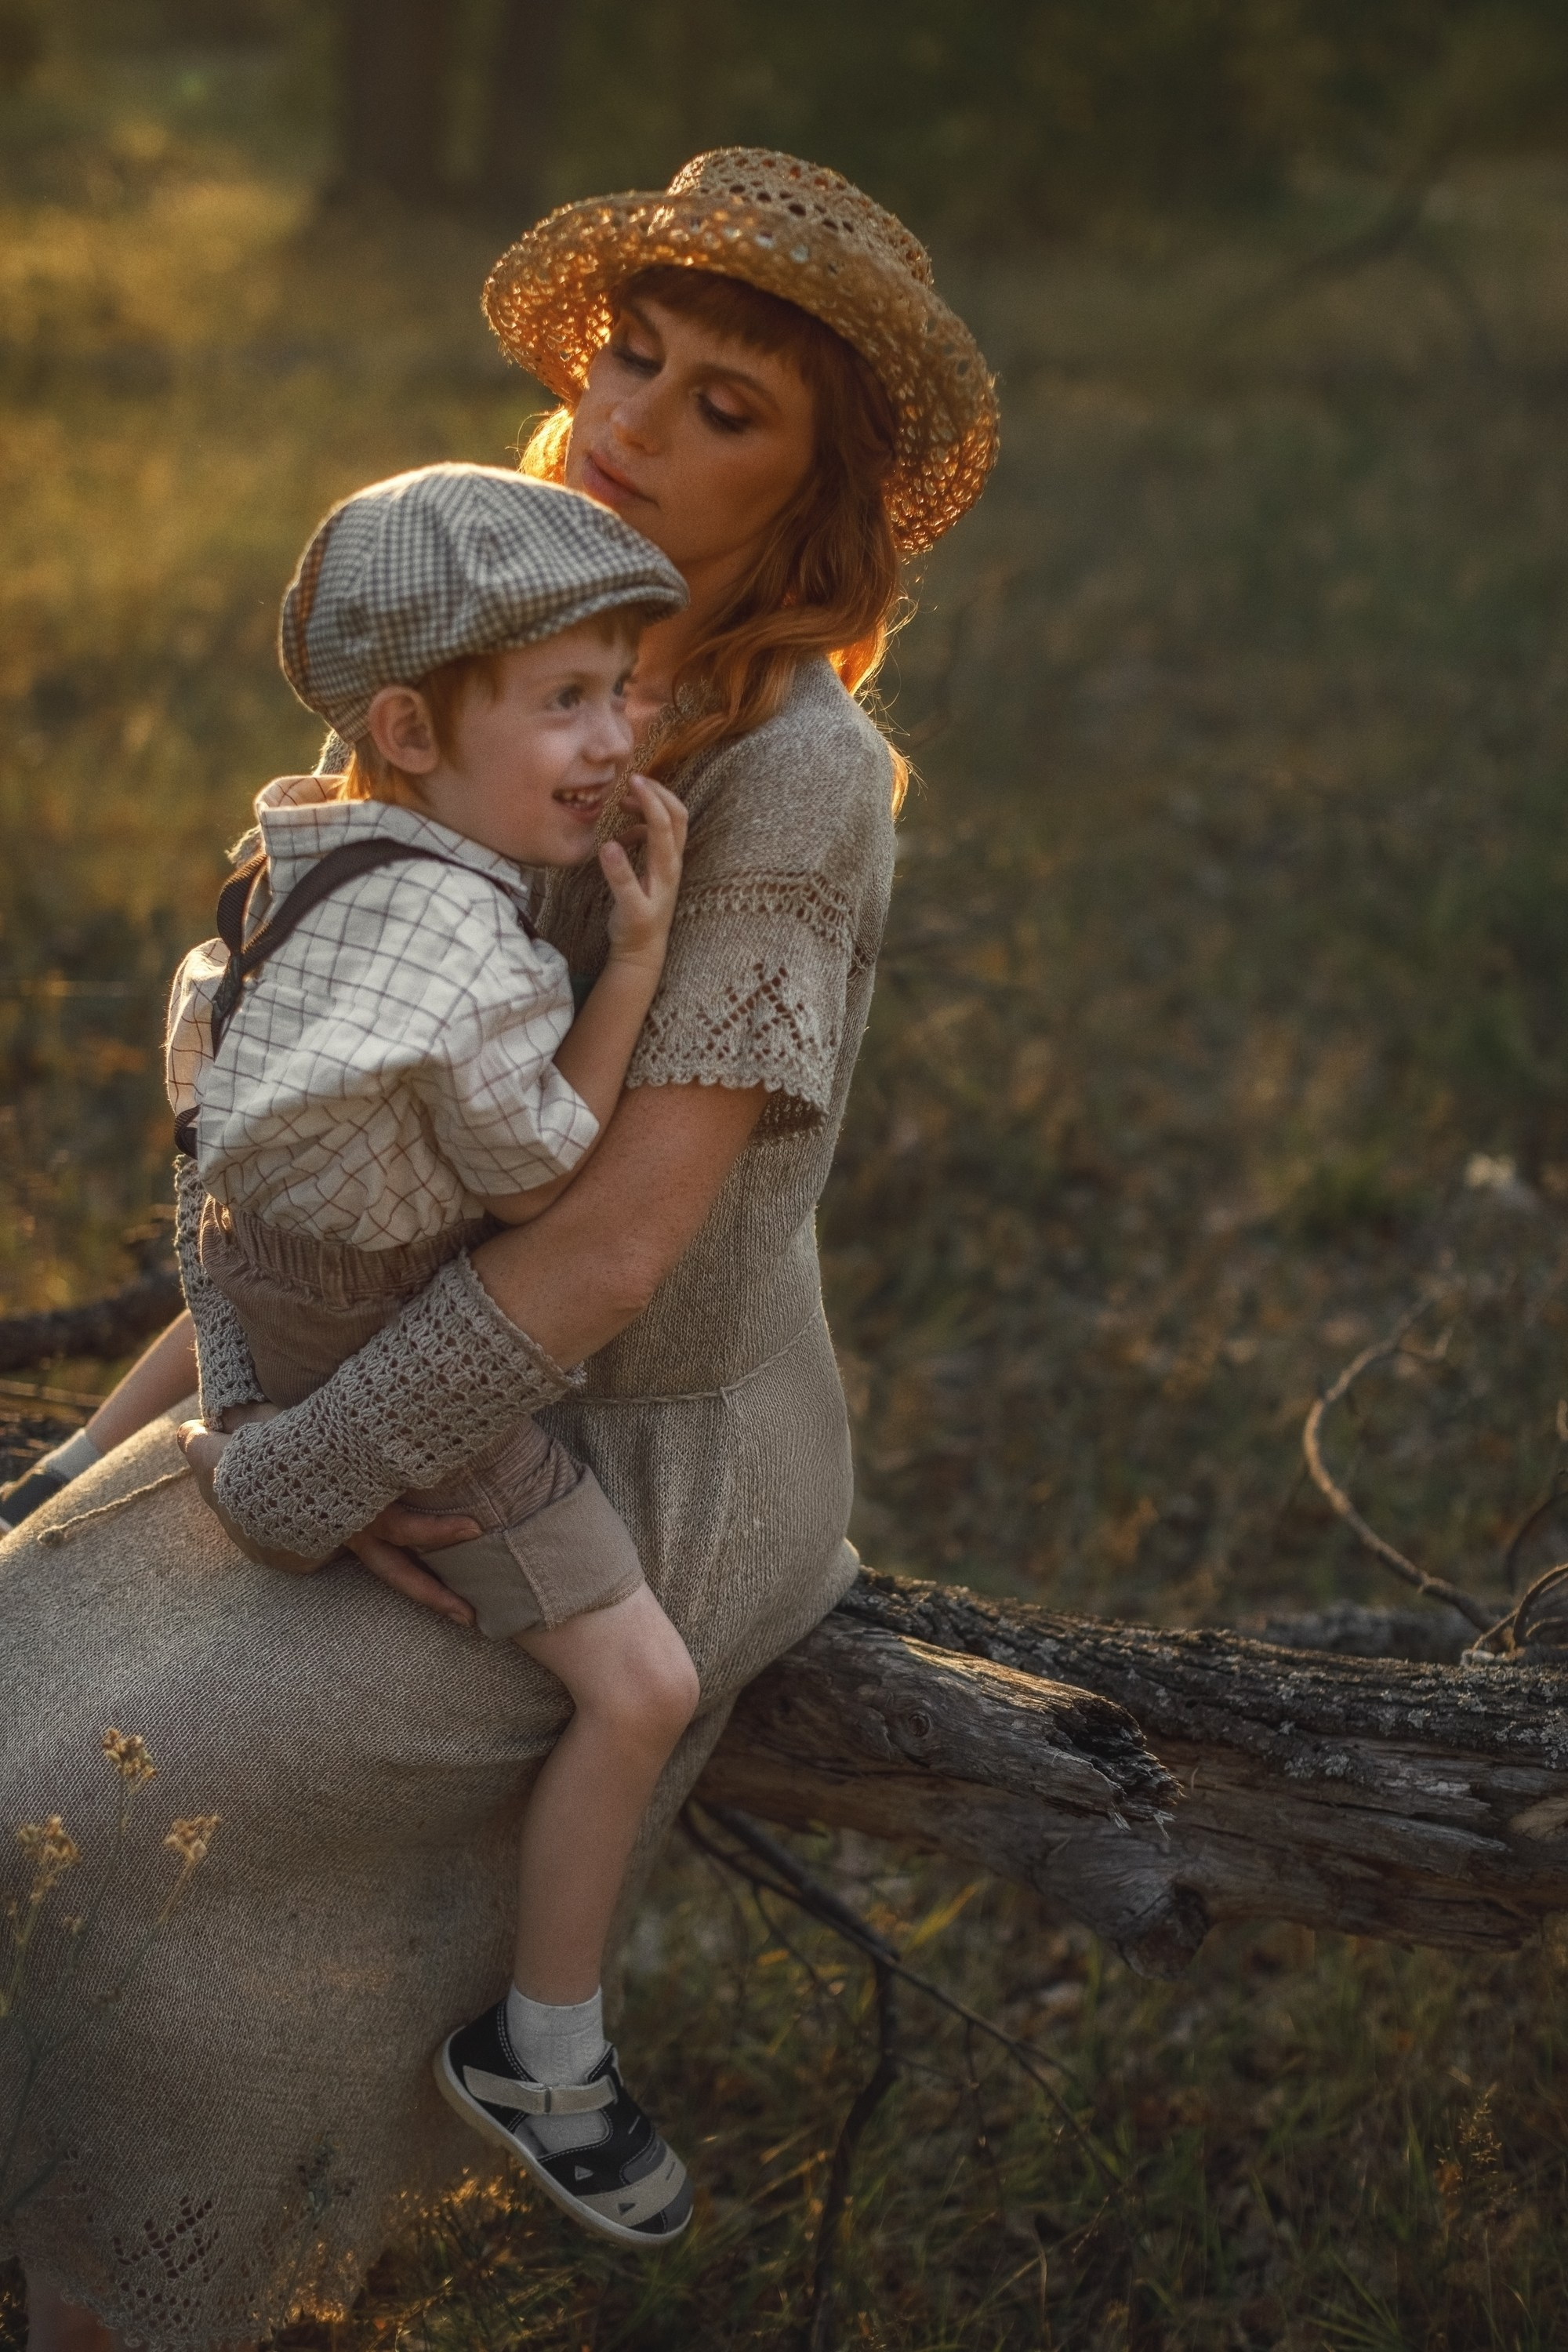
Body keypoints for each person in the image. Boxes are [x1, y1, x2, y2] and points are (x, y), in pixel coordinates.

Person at [0, 147, 997, 2352]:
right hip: (380, 1349)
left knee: (83, 1788)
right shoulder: (493, 630)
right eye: (633, 360)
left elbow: (618, 1252)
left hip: (635, 1441)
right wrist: (124, 1436)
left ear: (814, 506)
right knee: (18, 1654)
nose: (638, 421)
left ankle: (160, 2271)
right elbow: (336, 1145)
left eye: (726, 408)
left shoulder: (792, 779)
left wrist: (301, 1471)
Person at [163, 460, 701, 2249]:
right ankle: (543, 2054)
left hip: (267, 1280)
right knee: (644, 1690)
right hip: (396, 1332)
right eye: (565, 701)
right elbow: (551, 1173)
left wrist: (236, 1369)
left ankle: (76, 1480)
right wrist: (630, 960)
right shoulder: (468, 944)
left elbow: (208, 1130)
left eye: (623, 689)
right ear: (407, 724)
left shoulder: (305, 856)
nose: (615, 739)